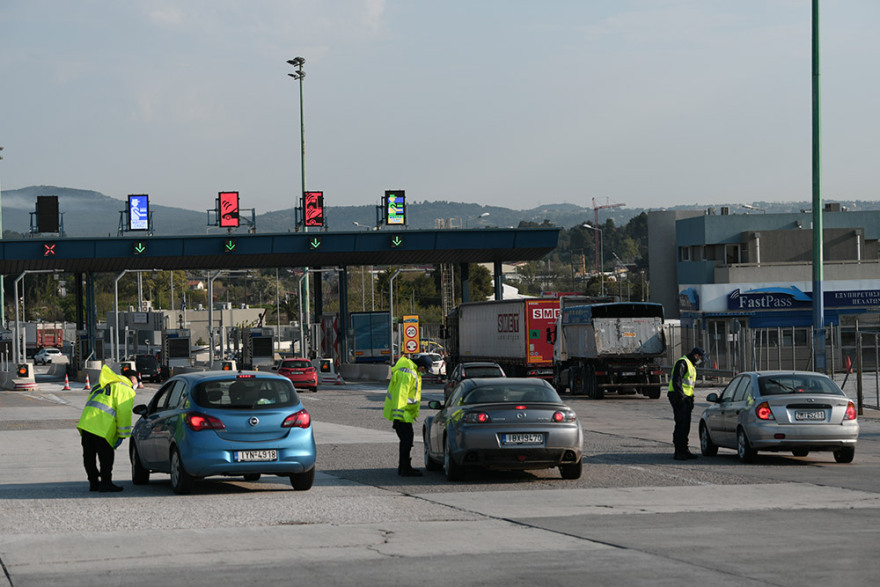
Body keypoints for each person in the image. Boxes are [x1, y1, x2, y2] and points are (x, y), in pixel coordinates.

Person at [77, 365, 139, 492]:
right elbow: (124, 412)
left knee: (89, 456)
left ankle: (93, 483)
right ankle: (106, 483)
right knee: (106, 457)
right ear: (133, 380)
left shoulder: (100, 385)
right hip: (102, 427)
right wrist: (122, 435)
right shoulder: (125, 389)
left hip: (86, 424)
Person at [383, 354, 433, 477]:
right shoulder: (407, 373)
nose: (425, 372)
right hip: (402, 415)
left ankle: (404, 467)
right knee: (406, 441)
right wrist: (398, 418)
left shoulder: (411, 371)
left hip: (405, 414)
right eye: (425, 370)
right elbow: (401, 395)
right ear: (421, 366)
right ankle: (405, 468)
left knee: (407, 440)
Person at [668, 347, 706, 461]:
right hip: (678, 397)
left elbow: (688, 386)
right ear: (695, 355)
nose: (701, 360)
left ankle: (684, 449)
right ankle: (679, 451)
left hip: (686, 398)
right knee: (681, 424)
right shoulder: (683, 363)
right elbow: (677, 381)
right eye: (700, 358)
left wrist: (690, 398)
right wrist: (682, 398)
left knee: (686, 425)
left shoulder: (691, 365)